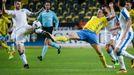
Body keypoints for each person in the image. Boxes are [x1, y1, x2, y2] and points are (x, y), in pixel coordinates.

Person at [54, 3, 115, 68]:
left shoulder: (104, 19)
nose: (98, 12)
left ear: (103, 14)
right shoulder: (93, 17)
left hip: (92, 35)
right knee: (70, 36)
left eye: (100, 12)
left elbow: (113, 15)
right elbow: (95, 26)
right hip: (84, 32)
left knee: (100, 53)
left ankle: (105, 65)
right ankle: (54, 38)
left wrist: (111, 7)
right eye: (98, 11)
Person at [2, 0, 43, 69]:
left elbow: (34, 14)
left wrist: (40, 10)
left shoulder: (24, 10)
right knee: (20, 50)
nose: (19, 5)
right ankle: (26, 64)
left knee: (35, 25)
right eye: (18, 4)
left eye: (20, 4)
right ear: (15, 5)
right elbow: (4, 12)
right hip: (19, 33)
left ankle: (40, 31)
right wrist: (3, 3)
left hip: (26, 28)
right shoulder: (13, 12)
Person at [114, 0, 134, 73]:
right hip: (123, 33)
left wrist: (125, 33)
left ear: (118, 4)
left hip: (127, 33)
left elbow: (129, 21)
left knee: (119, 50)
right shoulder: (122, 10)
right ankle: (123, 68)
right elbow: (124, 24)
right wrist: (116, 28)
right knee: (116, 50)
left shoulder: (123, 11)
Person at [125, 1, 134, 67]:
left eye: (128, 4)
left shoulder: (132, 12)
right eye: (126, 5)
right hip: (129, 32)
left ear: (131, 5)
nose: (126, 6)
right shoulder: (125, 12)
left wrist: (131, 25)